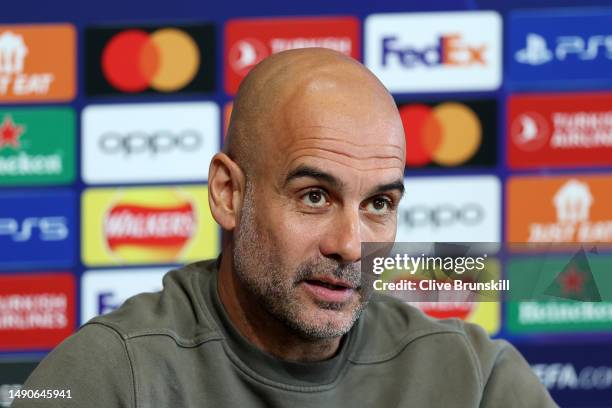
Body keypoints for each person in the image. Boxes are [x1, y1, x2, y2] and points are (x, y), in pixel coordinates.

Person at [13, 48, 557, 407]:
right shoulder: (109, 376)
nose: (350, 246)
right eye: (315, 197)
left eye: (378, 204)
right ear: (228, 193)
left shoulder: (476, 380)